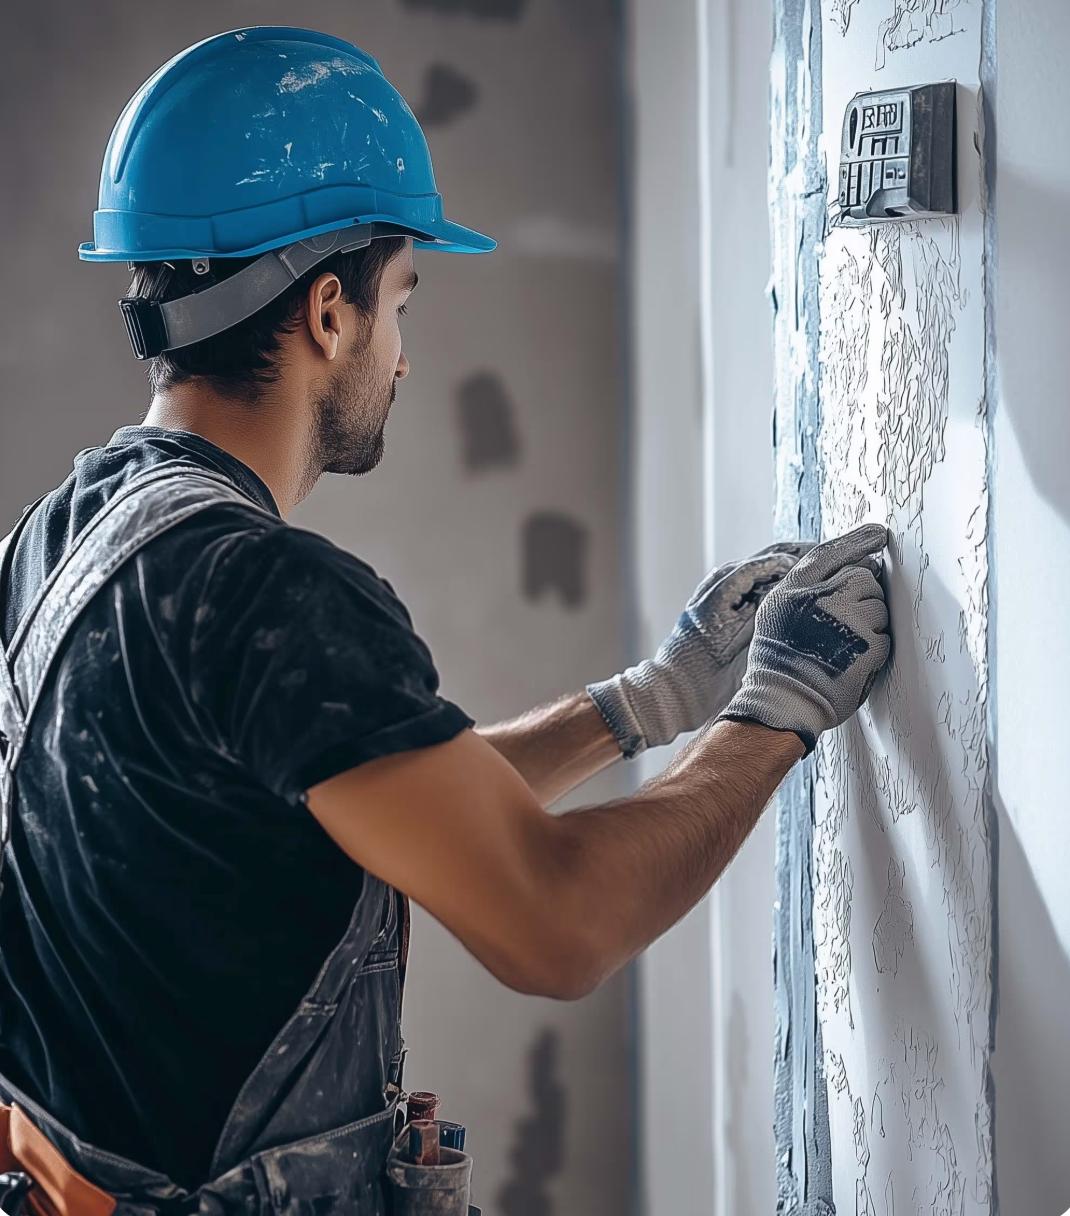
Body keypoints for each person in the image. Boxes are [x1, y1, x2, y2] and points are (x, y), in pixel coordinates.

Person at [0, 26, 891, 1215]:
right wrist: (777, 708)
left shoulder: (60, 540)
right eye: (400, 304)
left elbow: (356, 804)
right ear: (328, 312)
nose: (405, 359)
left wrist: (648, 701)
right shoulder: (266, 593)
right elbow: (556, 922)